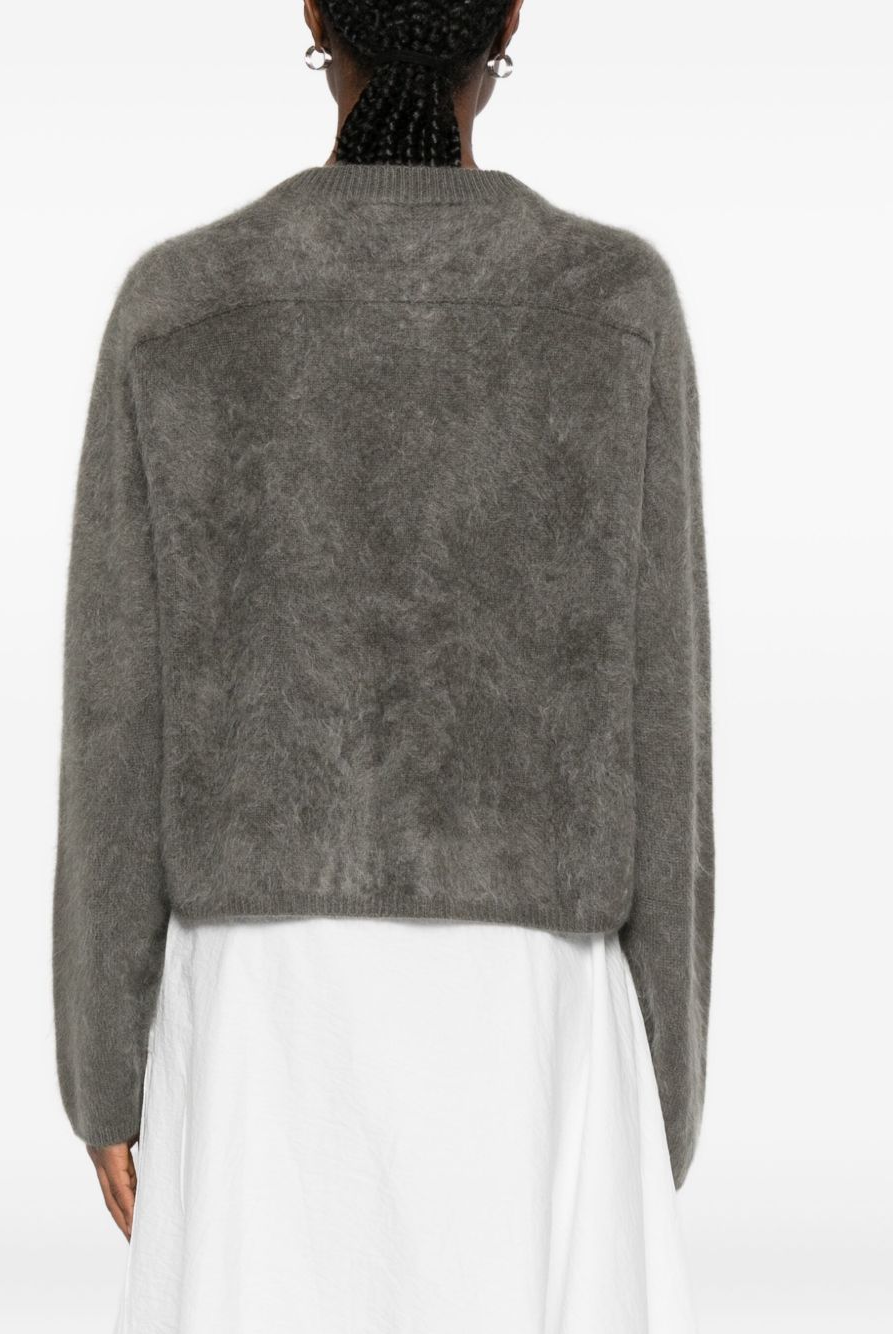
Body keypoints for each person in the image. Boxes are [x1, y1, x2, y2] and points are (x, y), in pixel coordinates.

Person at [51, 1, 715, 1330]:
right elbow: (666, 720)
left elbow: (116, 713)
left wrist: (102, 1066)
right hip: (535, 1006)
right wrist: (667, 1078)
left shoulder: (181, 305)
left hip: (261, 1006)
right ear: (507, 19)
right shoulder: (613, 305)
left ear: (315, 14)